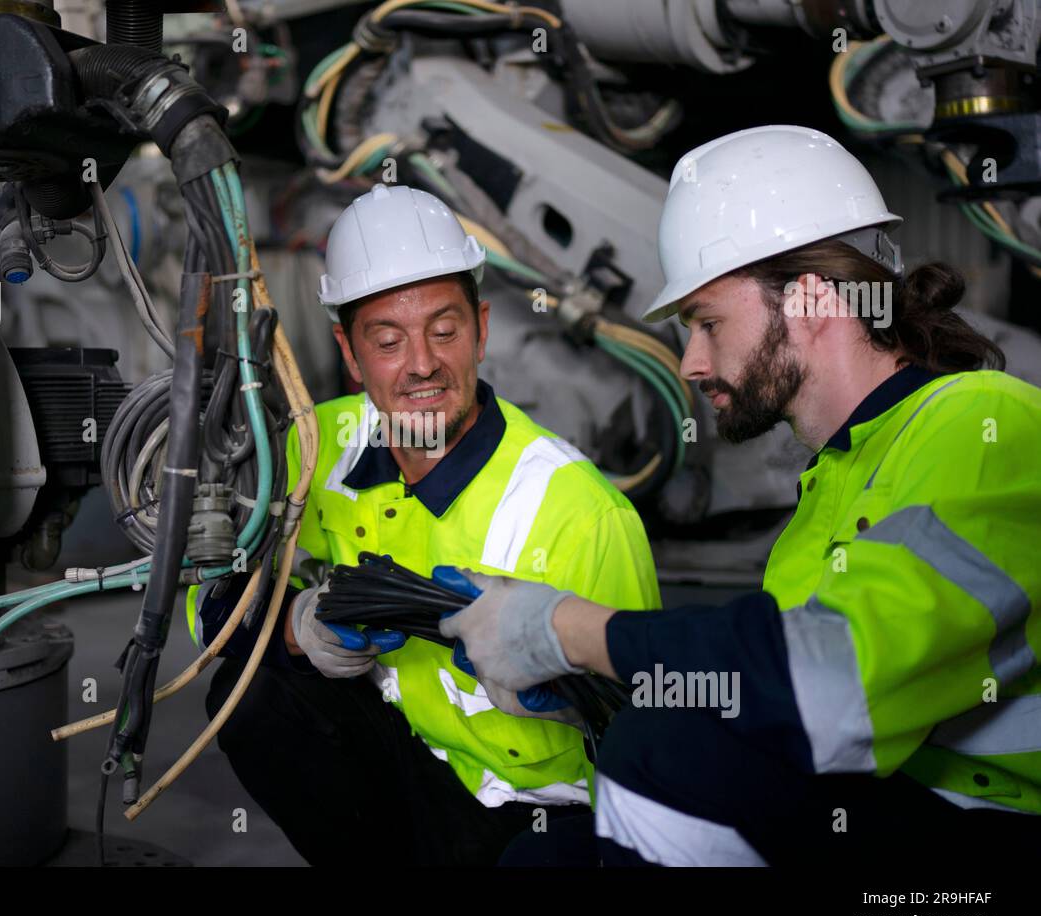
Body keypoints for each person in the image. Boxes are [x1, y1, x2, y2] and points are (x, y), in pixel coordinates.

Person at [437, 126, 1041, 866]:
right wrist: (586, 684)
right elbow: (764, 696)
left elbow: (829, 689)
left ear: (812, 299)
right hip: (888, 809)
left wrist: (567, 629)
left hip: (977, 858)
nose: (690, 362)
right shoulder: (834, 481)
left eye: (708, 323)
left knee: (663, 745)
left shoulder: (981, 422)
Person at [188, 183, 660, 865]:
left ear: (482, 329)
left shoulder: (577, 511)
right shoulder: (316, 448)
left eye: (445, 331)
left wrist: (549, 681)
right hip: (408, 761)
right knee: (250, 694)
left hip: (535, 812)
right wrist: (300, 628)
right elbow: (208, 612)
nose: (421, 364)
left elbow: (646, 728)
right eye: (387, 340)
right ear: (349, 354)